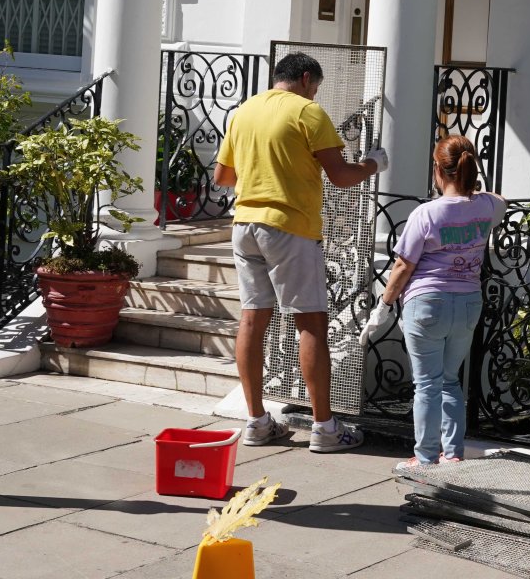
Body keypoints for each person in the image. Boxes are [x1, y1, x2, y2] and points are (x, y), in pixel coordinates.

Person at [214, 51, 388, 453]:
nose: (316, 94)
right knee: (310, 322)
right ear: (306, 78)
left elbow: (223, 176)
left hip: (244, 226)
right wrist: (372, 165)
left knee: (252, 320)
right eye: (317, 87)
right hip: (289, 228)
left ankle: (257, 422)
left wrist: (266, 167)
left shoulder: (244, 111)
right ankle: (325, 429)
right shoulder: (308, 113)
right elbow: (342, 178)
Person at [360, 135, 506, 468]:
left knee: (427, 383)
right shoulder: (486, 207)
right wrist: (472, 186)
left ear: (438, 169)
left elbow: (402, 266)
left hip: (427, 303)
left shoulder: (425, 214)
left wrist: (382, 307)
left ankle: (425, 457)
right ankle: (453, 453)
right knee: (451, 380)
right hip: (468, 302)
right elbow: (499, 198)